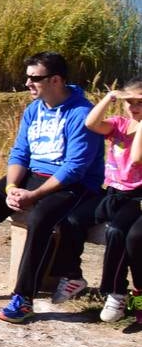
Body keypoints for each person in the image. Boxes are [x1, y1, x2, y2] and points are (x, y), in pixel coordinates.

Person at [0, 52, 103, 324]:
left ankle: (24, 298)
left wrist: (34, 195)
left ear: (56, 80)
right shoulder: (34, 109)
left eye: (34, 78)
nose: (27, 83)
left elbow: (75, 168)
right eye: (27, 77)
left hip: (72, 183)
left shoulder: (82, 114)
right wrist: (13, 187)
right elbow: (20, 153)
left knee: (40, 219)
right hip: (31, 176)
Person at [58, 81, 142, 322]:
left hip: (136, 197)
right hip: (112, 192)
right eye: (130, 102)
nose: (134, 107)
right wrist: (109, 98)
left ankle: (116, 293)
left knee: (118, 232)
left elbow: (136, 159)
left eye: (140, 102)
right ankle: (73, 275)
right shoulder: (119, 124)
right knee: (73, 219)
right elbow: (91, 123)